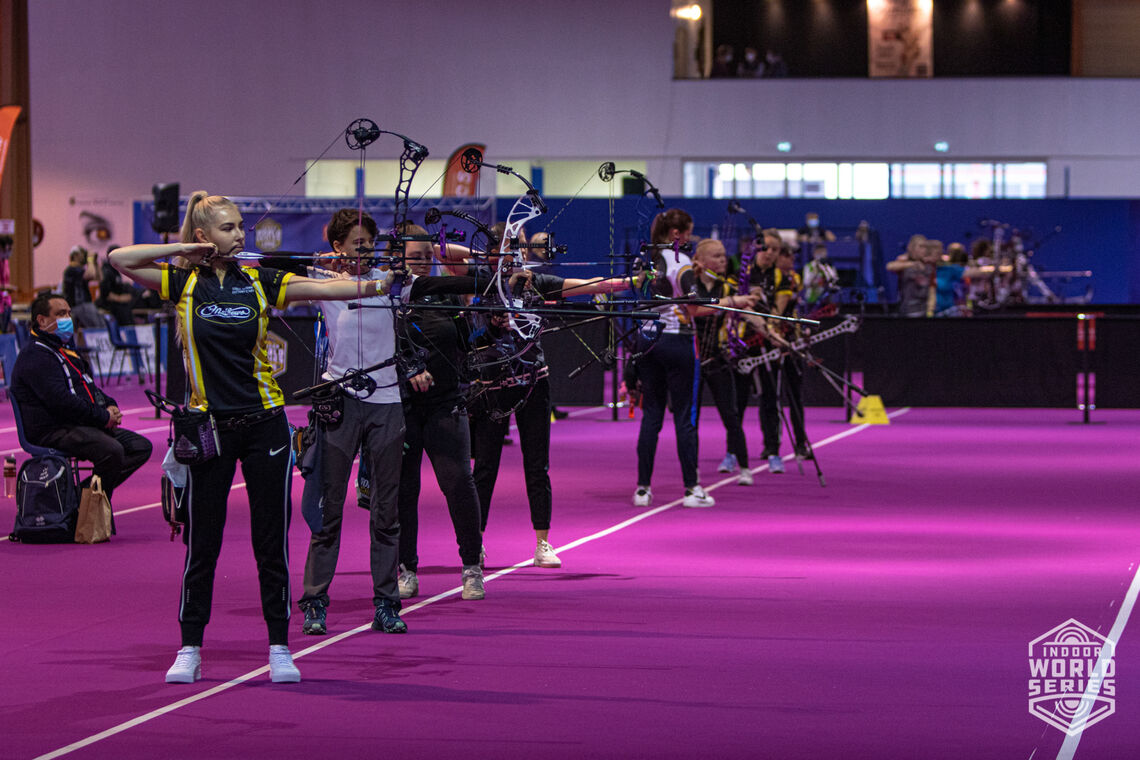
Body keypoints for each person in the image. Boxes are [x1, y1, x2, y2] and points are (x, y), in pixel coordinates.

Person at [110, 191, 399, 685]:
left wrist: (375, 281)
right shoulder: (181, 281)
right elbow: (119, 259)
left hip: (265, 422)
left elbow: (325, 290)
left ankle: (279, 646)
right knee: (203, 544)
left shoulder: (261, 280)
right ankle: (190, 646)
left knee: (271, 543)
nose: (240, 235)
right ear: (202, 237)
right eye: (228, 229)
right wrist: (184, 253)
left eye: (241, 227)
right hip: (209, 427)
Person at [444, 223, 636, 566]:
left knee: (538, 465)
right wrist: (490, 255)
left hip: (534, 381)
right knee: (485, 468)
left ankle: (542, 544)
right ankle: (476, 543)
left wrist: (633, 281)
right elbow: (442, 252)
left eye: (517, 245)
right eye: (505, 245)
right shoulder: (476, 278)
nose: (513, 251)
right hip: (491, 386)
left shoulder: (535, 282)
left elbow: (595, 285)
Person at [10, 292, 153, 510]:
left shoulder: (65, 351)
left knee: (139, 447)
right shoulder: (35, 356)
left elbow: (88, 387)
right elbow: (62, 402)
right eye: (60, 314)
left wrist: (109, 405)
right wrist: (103, 418)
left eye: (68, 312)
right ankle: (80, 507)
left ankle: (79, 499)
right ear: (42, 320)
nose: (68, 318)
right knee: (112, 451)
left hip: (77, 422)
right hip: (52, 429)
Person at [629, 208, 716, 508]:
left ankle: (642, 489)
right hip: (678, 341)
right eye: (689, 234)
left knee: (651, 416)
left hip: (649, 341)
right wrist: (729, 303)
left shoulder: (645, 259)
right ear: (676, 234)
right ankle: (692, 489)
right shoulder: (681, 261)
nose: (690, 239)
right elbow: (695, 307)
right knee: (685, 417)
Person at [688, 238, 757, 485]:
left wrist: (767, 327)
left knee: (731, 414)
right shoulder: (690, 285)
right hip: (692, 360)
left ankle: (746, 468)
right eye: (716, 256)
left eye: (723, 256)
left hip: (717, 358)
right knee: (690, 420)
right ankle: (691, 470)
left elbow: (746, 311)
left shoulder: (728, 287)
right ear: (702, 260)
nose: (722, 260)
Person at [887, 234, 935, 317]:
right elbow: (890, 266)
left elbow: (932, 289)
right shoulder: (905, 262)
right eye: (920, 247)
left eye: (925, 247)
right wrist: (913, 264)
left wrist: (930, 310)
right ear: (912, 248)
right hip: (907, 310)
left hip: (924, 311)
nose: (924, 250)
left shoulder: (929, 265)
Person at [61, 246, 102, 328]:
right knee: (97, 328)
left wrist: (95, 263)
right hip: (80, 305)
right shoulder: (72, 269)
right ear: (75, 255)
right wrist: (90, 259)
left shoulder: (80, 270)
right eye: (83, 253)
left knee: (101, 326)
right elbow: (91, 275)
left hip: (84, 305)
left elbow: (99, 278)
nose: (85, 256)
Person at [98, 244, 137, 326]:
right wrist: (121, 298)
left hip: (118, 303)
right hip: (108, 304)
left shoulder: (115, 270)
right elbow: (107, 295)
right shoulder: (106, 271)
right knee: (124, 311)